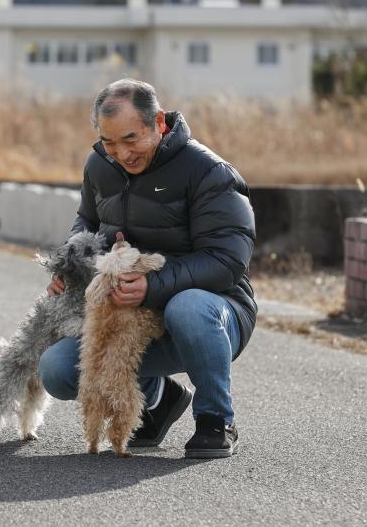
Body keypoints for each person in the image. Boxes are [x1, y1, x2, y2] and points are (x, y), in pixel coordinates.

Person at [39, 78, 256, 459]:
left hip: (214, 312)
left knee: (186, 307)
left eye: (130, 139)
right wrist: (70, 269)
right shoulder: (99, 166)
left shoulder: (208, 171)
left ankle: (216, 419)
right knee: (57, 370)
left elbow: (228, 260)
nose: (122, 153)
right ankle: (159, 398)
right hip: (130, 319)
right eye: (109, 143)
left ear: (158, 123)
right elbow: (85, 226)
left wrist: (151, 285)